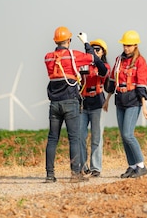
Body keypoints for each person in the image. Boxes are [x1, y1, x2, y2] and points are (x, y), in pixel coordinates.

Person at [43, 26, 106, 183]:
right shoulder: (73, 55)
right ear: (69, 40)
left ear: (55, 40)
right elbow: (93, 58)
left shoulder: (48, 58)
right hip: (70, 102)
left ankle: (50, 175)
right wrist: (86, 43)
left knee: (52, 139)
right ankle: (75, 174)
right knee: (75, 138)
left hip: (54, 104)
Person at [103, 30, 147, 178]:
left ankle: (141, 166)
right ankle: (132, 166)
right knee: (123, 136)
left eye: (129, 46)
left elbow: (141, 85)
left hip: (133, 100)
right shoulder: (118, 60)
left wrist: (144, 107)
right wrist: (107, 100)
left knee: (128, 134)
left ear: (135, 46)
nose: (126, 48)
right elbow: (112, 81)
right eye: (124, 45)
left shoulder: (140, 62)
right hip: (120, 99)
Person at [78, 39, 110, 177]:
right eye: (93, 49)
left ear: (103, 52)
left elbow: (103, 72)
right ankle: (82, 166)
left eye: (98, 49)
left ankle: (96, 168)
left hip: (98, 103)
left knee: (96, 137)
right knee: (80, 136)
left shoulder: (105, 67)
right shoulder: (84, 66)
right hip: (83, 103)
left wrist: (93, 56)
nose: (95, 51)